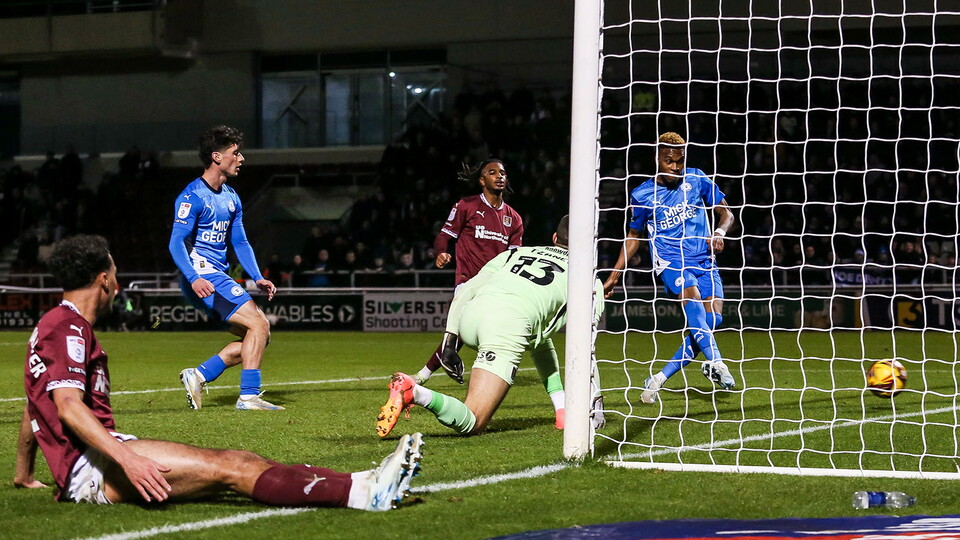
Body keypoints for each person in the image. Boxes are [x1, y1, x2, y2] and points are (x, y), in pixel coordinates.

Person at [14, 235, 423, 510]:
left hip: (96, 459)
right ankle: (364, 493)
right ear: (103, 280)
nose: (118, 285)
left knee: (241, 458)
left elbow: (36, 406)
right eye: (115, 275)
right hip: (98, 466)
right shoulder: (65, 326)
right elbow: (65, 405)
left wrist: (24, 474)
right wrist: (127, 458)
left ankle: (362, 479)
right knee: (233, 468)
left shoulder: (59, 324)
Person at [377, 216, 604, 437]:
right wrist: (597, 405)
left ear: (554, 238)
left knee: (540, 338)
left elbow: (467, 290)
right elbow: (586, 347)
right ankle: (414, 392)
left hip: (470, 316)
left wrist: (450, 340)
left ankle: (561, 410)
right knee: (473, 420)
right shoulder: (588, 277)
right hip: (507, 324)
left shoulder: (516, 252)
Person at [602, 132, 736, 404]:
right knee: (694, 301)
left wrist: (720, 233)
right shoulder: (642, 194)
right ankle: (717, 361)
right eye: (669, 160)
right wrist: (615, 274)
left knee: (713, 321)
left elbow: (727, 213)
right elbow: (633, 236)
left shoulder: (697, 178)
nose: (676, 166)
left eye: (680, 160)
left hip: (704, 259)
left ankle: (658, 379)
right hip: (672, 262)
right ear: (657, 158)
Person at [169, 126, 281, 410]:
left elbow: (240, 241)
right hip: (203, 274)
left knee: (256, 337)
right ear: (217, 156)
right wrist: (193, 278)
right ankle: (248, 396)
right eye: (236, 153)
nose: (241, 158)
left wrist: (257, 277)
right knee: (259, 323)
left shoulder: (231, 196)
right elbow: (176, 243)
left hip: (215, 275)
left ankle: (198, 374)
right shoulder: (192, 196)